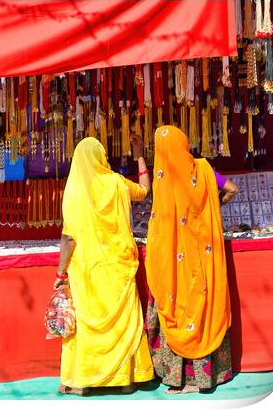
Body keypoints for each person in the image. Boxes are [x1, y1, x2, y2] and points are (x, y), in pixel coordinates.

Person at [54, 136, 154, 396]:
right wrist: (140, 155)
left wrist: (60, 272)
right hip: (119, 266)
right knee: (123, 321)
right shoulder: (116, 183)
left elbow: (68, 237)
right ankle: (125, 380)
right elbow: (144, 191)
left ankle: (86, 380)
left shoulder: (73, 191)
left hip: (87, 270)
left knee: (89, 323)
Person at [145, 125, 237, 394]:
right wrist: (209, 209)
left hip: (173, 262)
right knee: (202, 308)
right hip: (203, 258)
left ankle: (181, 380)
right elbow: (232, 189)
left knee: (178, 307)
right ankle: (205, 378)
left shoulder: (163, 175)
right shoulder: (204, 170)